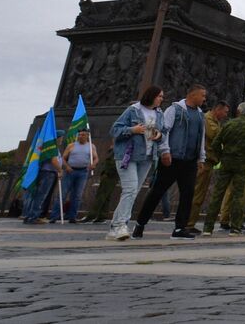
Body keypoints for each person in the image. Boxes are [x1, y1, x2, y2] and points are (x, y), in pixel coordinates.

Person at [133, 83, 207, 240]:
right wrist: (165, 151)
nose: (204, 98)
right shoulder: (174, 109)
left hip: (190, 161)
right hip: (172, 159)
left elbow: (201, 137)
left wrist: (201, 157)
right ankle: (140, 224)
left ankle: (180, 228)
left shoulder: (200, 114)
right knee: (157, 192)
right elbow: (164, 130)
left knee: (187, 195)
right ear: (193, 95)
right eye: (202, 95)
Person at [108, 85, 165, 241]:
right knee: (130, 189)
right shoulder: (133, 110)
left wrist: (158, 135)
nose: (162, 99)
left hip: (147, 157)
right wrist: (132, 130)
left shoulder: (159, 114)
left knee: (132, 192)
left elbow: (163, 134)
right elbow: (114, 130)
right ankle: (121, 225)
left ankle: (114, 227)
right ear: (151, 96)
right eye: (159, 96)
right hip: (128, 155)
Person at [201, 102, 245, 236]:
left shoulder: (228, 124)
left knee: (218, 194)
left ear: (238, 111)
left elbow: (216, 143)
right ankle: (235, 228)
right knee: (239, 196)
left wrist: (222, 156)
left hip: (226, 163)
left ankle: (208, 227)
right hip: (242, 164)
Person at [189, 101, 230, 232]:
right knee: (197, 194)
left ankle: (190, 222)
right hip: (204, 162)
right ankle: (188, 223)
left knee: (199, 194)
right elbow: (216, 135)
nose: (226, 115)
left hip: (209, 162)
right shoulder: (208, 119)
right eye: (225, 111)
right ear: (217, 109)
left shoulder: (214, 121)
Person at [60, 130, 97, 223]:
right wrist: (67, 166)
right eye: (79, 135)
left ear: (87, 136)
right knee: (63, 193)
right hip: (70, 171)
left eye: (83, 135)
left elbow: (96, 158)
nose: (80, 136)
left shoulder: (91, 146)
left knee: (77, 196)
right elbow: (63, 158)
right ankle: (56, 215)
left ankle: (72, 216)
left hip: (83, 172)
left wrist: (93, 164)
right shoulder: (71, 146)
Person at [22, 151, 63, 224]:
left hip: (44, 172)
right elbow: (54, 160)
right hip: (48, 172)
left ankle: (29, 216)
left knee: (36, 195)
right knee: (41, 196)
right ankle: (33, 217)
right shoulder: (51, 145)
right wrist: (60, 170)